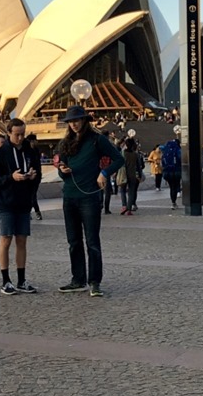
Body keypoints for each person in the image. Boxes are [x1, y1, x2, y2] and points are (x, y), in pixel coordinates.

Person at [55, 105, 123, 297]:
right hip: (70, 196)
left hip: (89, 197)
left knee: (92, 241)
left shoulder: (97, 140)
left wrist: (104, 173)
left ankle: (94, 282)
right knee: (73, 241)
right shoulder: (66, 142)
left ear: (84, 120)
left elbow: (118, 159)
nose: (74, 124)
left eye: (77, 120)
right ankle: (78, 279)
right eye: (71, 121)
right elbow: (62, 166)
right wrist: (63, 170)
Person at [0, 119, 40, 295]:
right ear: (9, 132)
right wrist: (11, 177)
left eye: (22, 134)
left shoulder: (30, 151)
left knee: (22, 240)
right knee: (6, 239)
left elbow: (37, 173)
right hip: (5, 203)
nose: (20, 137)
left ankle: (22, 279)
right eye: (17, 134)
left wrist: (32, 176)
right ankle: (6, 280)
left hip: (23, 202)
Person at [118, 137, 141, 216]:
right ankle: (129, 209)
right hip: (132, 175)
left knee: (123, 191)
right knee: (131, 192)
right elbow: (138, 166)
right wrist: (140, 175)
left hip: (123, 174)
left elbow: (118, 163)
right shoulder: (135, 154)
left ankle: (124, 206)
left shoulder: (123, 153)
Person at [25, 133, 43, 220]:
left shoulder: (35, 151)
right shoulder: (28, 151)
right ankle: (36, 212)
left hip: (36, 175)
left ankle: (34, 212)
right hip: (30, 175)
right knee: (31, 195)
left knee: (32, 195)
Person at [161, 134, 182, 210]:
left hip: (167, 172)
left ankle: (173, 202)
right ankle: (174, 201)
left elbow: (162, 162)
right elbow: (181, 159)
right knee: (175, 186)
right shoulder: (178, 150)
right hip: (176, 171)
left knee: (171, 187)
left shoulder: (166, 151)